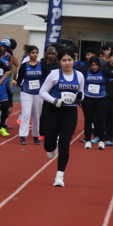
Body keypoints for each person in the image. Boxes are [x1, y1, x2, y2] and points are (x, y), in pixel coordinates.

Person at [39, 47, 85, 187]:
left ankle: (60, 176)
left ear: (74, 60)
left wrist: (80, 98)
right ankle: (52, 148)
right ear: (60, 61)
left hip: (70, 113)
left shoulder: (79, 76)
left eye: (69, 60)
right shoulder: (54, 74)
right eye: (64, 60)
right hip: (53, 111)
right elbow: (42, 91)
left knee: (65, 144)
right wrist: (54, 101)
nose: (67, 63)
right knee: (49, 145)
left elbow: (81, 93)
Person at [15, 45, 44, 145]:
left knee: (37, 115)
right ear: (29, 54)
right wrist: (16, 82)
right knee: (26, 114)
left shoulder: (41, 65)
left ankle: (36, 136)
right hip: (26, 92)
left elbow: (45, 79)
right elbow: (19, 80)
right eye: (33, 53)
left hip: (38, 93)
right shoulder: (24, 66)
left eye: (36, 53)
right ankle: (23, 136)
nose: (35, 55)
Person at [81, 56, 108, 148]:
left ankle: (101, 140)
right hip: (88, 98)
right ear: (90, 65)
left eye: (96, 65)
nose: (94, 67)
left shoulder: (104, 71)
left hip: (101, 99)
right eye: (92, 65)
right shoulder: (85, 71)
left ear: (99, 65)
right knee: (88, 120)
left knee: (100, 120)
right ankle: (87, 140)